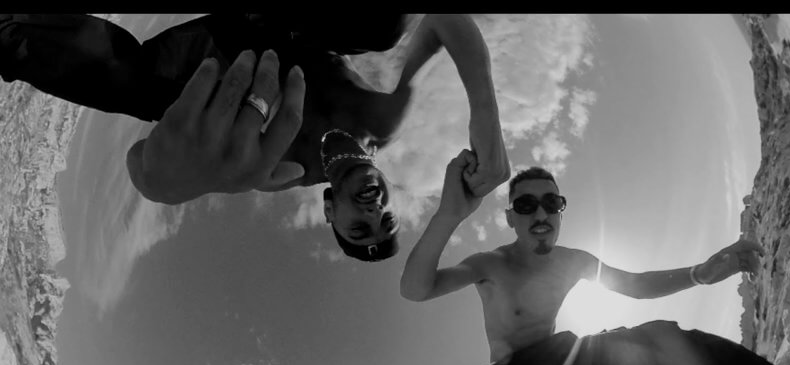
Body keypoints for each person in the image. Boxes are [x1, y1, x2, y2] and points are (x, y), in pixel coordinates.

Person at [0, 13, 510, 261]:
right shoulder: (382, 120)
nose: (373, 213)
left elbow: (149, 167)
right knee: (382, 26)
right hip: (282, 22)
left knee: (143, 90)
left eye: (360, 229)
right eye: (386, 220)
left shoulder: (284, 172)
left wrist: (165, 183)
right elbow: (440, 22)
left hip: (214, 59)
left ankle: (11, 30)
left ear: (330, 212)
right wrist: (485, 116)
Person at [400, 153, 790, 365]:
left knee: (658, 339)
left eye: (550, 203)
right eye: (526, 205)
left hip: (562, 356)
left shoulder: (573, 261)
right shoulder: (490, 264)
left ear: (560, 211)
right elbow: (417, 289)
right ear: (510, 218)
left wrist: (700, 274)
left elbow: (636, 285)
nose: (540, 214)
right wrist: (449, 214)